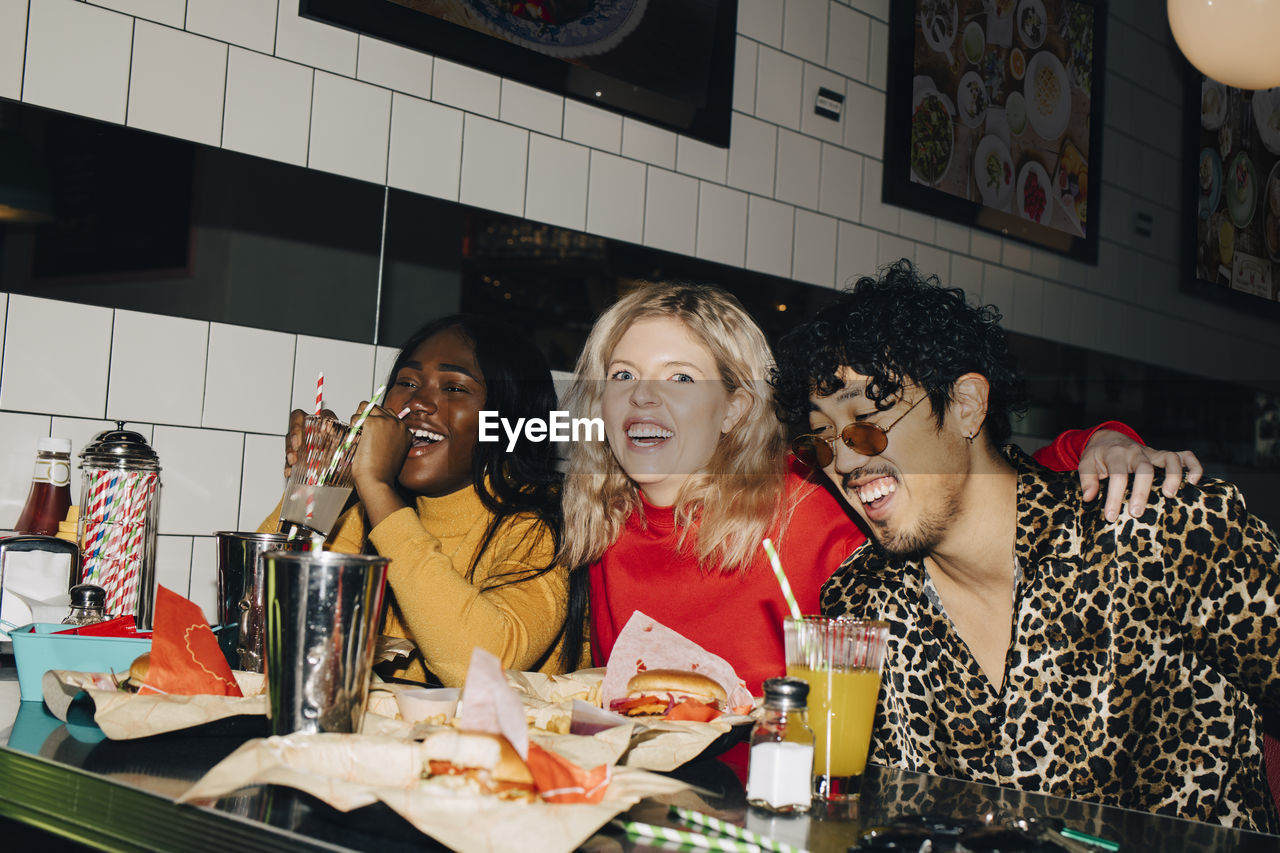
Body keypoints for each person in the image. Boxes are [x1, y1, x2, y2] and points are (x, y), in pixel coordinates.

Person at [771, 260, 1280, 831]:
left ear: (966, 406)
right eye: (821, 438)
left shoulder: (1165, 533)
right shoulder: (864, 604)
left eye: (866, 421)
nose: (842, 461)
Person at [560, 282, 1199, 694]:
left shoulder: (807, 495)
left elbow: (981, 472)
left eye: (678, 378)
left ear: (733, 409)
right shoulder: (597, 521)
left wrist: (1099, 442)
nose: (642, 394)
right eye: (622, 374)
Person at [263, 315, 583, 687]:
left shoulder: (543, 527)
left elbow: (483, 669)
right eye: (408, 383)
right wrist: (318, 484)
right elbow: (265, 627)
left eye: (455, 388)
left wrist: (378, 488)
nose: (419, 403)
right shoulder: (363, 514)